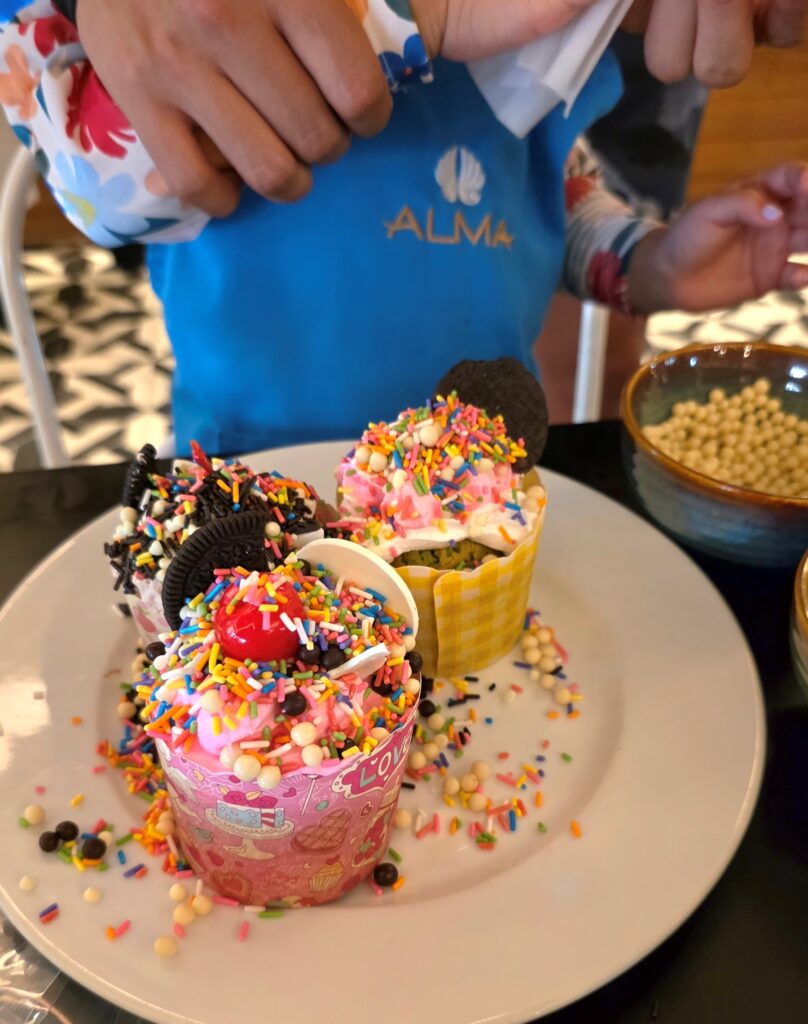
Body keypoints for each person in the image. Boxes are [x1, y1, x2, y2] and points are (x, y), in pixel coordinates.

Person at [0, 0, 806, 455]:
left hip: (476, 480)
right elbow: (102, 190)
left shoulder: (524, 51)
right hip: (251, 481)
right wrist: (406, 17)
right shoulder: (209, 48)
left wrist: (649, 262)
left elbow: (543, 194)